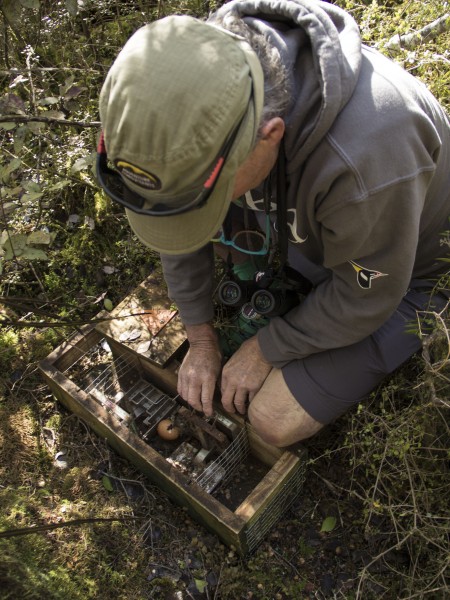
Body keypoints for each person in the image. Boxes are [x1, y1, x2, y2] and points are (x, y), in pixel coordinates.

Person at [97, 0, 450, 447]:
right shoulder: (202, 73)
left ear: (270, 136)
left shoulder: (369, 161)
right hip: (309, 226)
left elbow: (370, 293)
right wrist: (200, 336)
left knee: (270, 419)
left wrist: (266, 348)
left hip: (404, 274)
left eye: (207, 198)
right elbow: (174, 210)